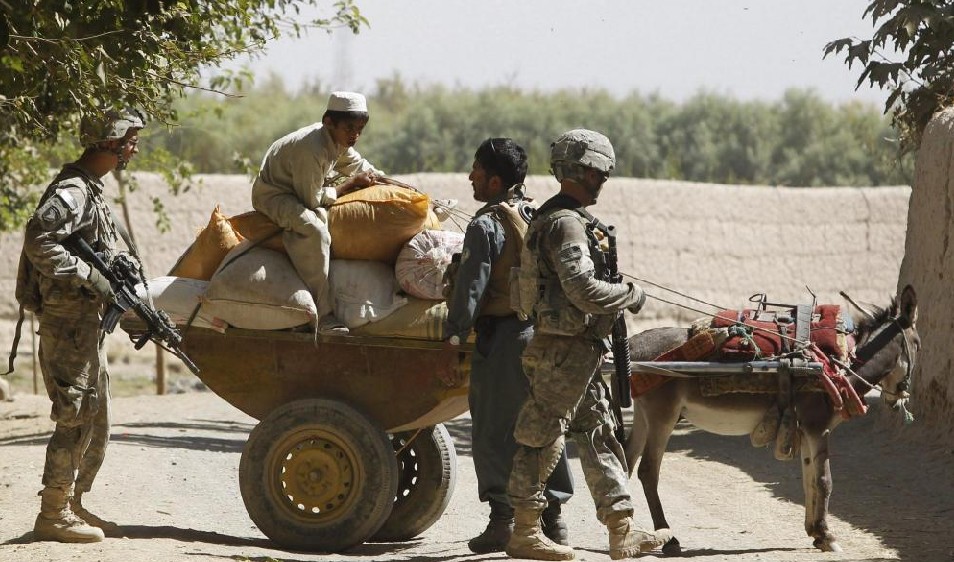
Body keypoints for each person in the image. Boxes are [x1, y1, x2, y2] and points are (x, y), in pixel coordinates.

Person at [506, 129, 671, 560]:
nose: (602, 182)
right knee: (542, 435)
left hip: (579, 350)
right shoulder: (566, 223)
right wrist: (630, 296)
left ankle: (622, 532)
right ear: (578, 171)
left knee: (599, 434)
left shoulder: (562, 218)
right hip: (563, 351)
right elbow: (582, 290)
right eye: (597, 173)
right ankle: (524, 531)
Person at [17, 107, 146, 542]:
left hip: (83, 323)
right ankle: (52, 514)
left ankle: (71, 503)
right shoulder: (73, 192)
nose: (134, 145)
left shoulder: (92, 191)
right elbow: (39, 239)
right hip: (66, 323)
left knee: (95, 413)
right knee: (75, 414)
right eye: (129, 138)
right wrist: (90, 277)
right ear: (108, 143)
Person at [441, 138, 574, 554]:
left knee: (495, 432)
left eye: (477, 172)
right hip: (545, 337)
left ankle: (503, 522)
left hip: (503, 343)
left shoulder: (486, 225)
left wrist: (454, 335)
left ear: (495, 180)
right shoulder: (537, 215)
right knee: (543, 428)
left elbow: (472, 288)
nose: (470, 178)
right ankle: (554, 521)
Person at [251, 91, 383, 334]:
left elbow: (360, 166)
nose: (355, 135)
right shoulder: (310, 148)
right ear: (328, 122)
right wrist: (350, 185)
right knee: (314, 230)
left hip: (302, 188)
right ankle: (322, 314)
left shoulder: (338, 141)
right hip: (276, 195)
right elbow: (310, 200)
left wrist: (388, 183)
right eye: (350, 128)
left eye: (360, 129)